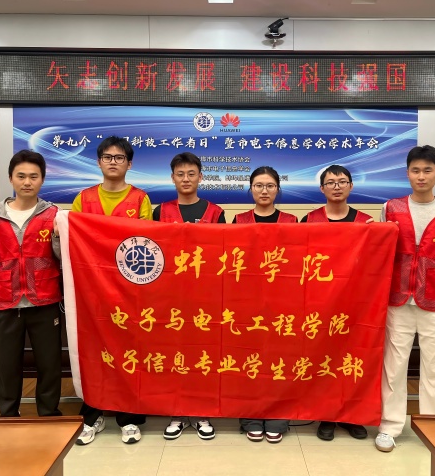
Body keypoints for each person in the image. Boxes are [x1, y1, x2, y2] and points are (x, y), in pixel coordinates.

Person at [375, 145, 435, 453]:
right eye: (415, 170)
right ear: (407, 173)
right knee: (393, 366)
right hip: (397, 299)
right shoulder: (391, 208)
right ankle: (389, 425)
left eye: (427, 170)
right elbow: (380, 250)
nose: (421, 176)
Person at [72, 135, 152, 446]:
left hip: (129, 290)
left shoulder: (140, 199)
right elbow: (74, 238)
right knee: (94, 353)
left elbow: (147, 244)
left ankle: (128, 417)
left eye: (120, 157)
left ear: (129, 164)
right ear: (99, 162)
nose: (113, 162)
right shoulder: (84, 198)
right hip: (92, 289)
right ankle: (93, 415)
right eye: (108, 157)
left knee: (129, 351)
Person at [0, 149, 63, 419]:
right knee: (7, 364)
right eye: (21, 176)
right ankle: (8, 413)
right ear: (11, 179)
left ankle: (48, 411)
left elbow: (64, 258)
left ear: (42, 179)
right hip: (6, 300)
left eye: (33, 176)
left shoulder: (54, 215)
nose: (27, 182)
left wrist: (58, 237)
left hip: (45, 300)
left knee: (49, 363)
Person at [153, 151, 224, 440]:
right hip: (170, 297)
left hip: (205, 297)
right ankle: (177, 412)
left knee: (203, 354)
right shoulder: (159, 212)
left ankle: (202, 411)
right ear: (172, 178)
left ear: (200, 177)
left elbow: (223, 255)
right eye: (180, 174)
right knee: (174, 354)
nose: (186, 179)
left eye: (191, 174)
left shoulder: (216, 213)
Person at [302, 164, 371, 441]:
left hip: (356, 304)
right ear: (322, 189)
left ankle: (352, 416)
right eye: (330, 182)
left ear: (351, 186)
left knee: (353, 359)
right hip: (321, 303)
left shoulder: (366, 223)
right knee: (324, 358)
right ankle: (327, 416)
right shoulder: (309, 220)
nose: (337, 186)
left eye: (342, 181)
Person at [233, 166, 296, 443]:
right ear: (250, 189)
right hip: (247, 301)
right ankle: (249, 415)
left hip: (282, 302)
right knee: (248, 359)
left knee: (279, 360)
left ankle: (278, 416)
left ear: (278, 189)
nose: (264, 191)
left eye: (270, 186)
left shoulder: (292, 221)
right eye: (258, 185)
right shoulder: (238, 220)